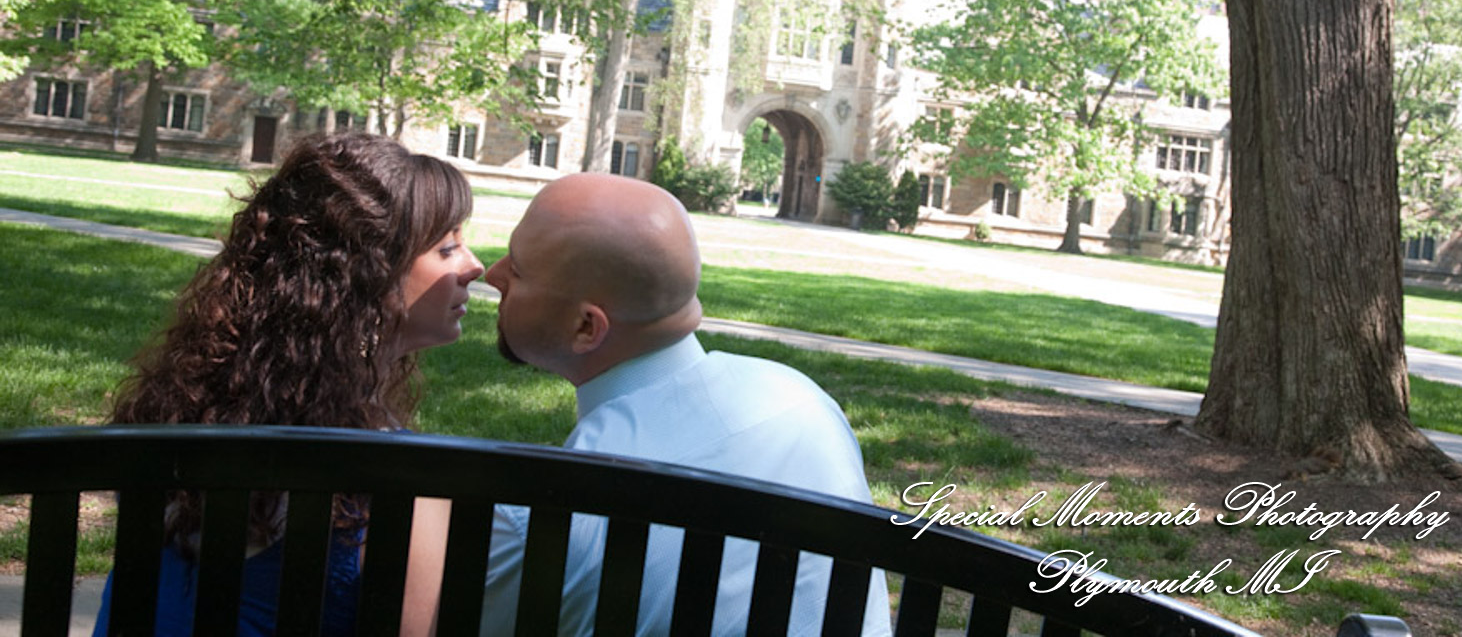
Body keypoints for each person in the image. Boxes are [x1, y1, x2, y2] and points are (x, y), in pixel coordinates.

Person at [91, 132, 485, 637]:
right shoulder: (407, 482)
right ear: (370, 277)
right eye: (448, 247)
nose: (474, 265)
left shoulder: (176, 418)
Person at [481, 173, 890, 636]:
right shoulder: (805, 402)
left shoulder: (544, 513)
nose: (491, 274)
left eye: (517, 269)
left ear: (586, 328)